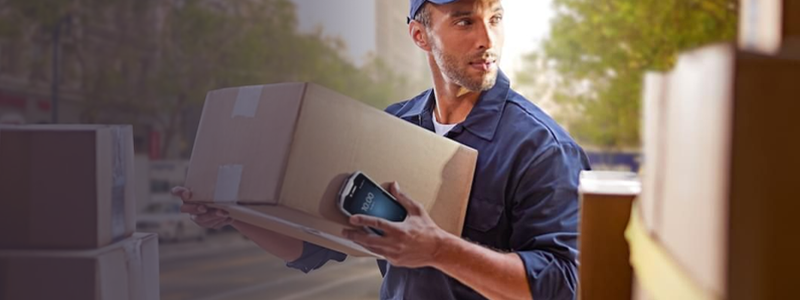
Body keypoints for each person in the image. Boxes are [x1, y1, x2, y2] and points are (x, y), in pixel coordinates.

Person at [173, 0, 590, 298]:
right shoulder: (393, 127)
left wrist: (440, 250)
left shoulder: (541, 149)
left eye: (495, 17)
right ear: (420, 35)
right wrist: (234, 215)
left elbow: (564, 285)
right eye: (465, 21)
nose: (487, 39)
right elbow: (316, 246)